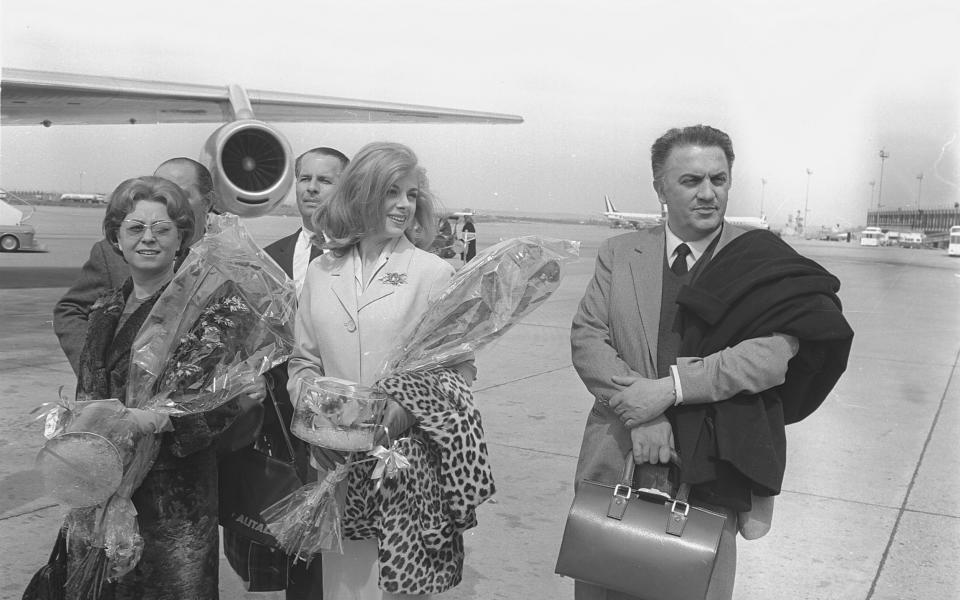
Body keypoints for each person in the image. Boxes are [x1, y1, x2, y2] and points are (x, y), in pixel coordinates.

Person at [569, 125, 853, 600]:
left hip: (712, 469)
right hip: (621, 453)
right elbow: (588, 340)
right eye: (690, 181)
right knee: (603, 588)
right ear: (660, 186)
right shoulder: (620, 254)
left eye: (718, 180)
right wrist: (643, 413)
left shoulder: (759, 258)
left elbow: (772, 354)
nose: (708, 194)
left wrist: (671, 389)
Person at [287, 142, 489, 599]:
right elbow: (303, 362)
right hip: (335, 461)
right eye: (390, 192)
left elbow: (459, 371)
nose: (403, 205)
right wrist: (316, 424)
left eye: (411, 194)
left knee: (397, 589)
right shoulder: (322, 270)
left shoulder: (432, 272)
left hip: (403, 466)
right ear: (361, 193)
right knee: (345, 588)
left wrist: (402, 411)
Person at [64, 176, 265, 599]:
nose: (148, 239)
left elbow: (224, 400)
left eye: (162, 229)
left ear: (181, 239)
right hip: (100, 487)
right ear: (116, 239)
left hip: (173, 501)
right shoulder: (105, 310)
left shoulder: (211, 309)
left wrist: (156, 420)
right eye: (135, 228)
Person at [222, 146, 348, 598]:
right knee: (285, 549)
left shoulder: (363, 256)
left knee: (338, 554)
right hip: (279, 425)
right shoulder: (268, 256)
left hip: (341, 422)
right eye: (304, 178)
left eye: (325, 180)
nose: (312, 188)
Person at [54, 158, 216, 374]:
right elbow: (70, 311)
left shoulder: (229, 261)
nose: (167, 199)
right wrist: (95, 368)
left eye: (179, 192)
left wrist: (250, 378)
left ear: (208, 202)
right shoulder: (112, 253)